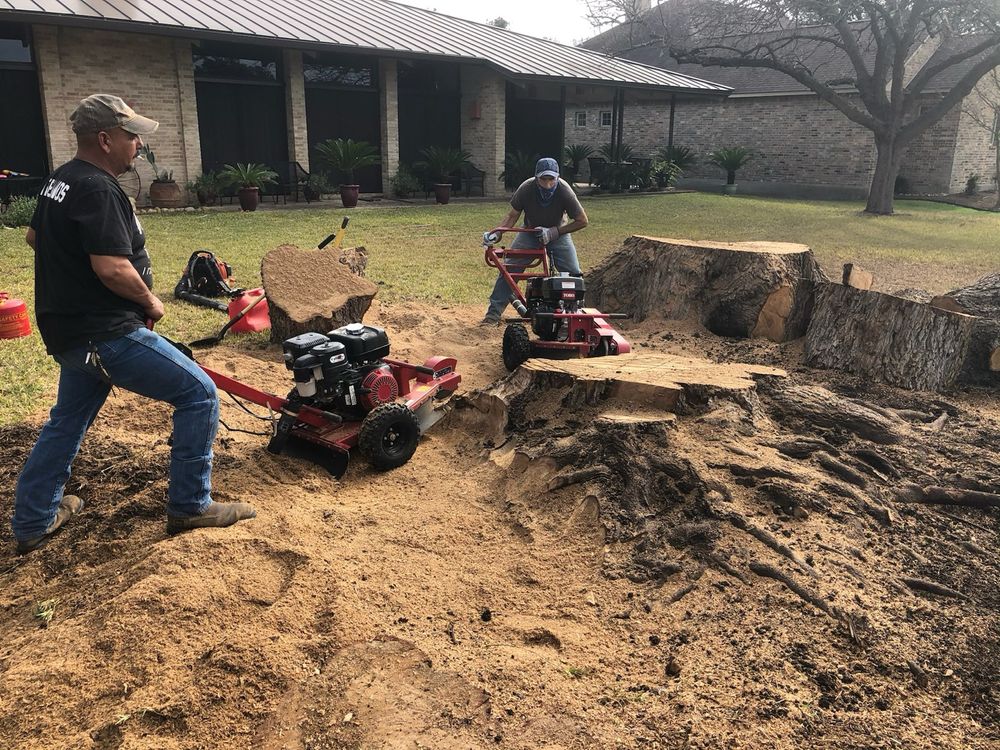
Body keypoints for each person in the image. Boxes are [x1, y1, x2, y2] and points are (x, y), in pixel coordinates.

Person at [11, 94, 256, 555]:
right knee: (199, 394)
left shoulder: (61, 180)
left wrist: (72, 276)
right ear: (105, 139)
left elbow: (34, 236)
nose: (139, 144)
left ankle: (33, 520)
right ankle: (190, 504)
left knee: (67, 421)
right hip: (107, 334)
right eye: (132, 135)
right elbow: (111, 267)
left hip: (71, 334)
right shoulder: (98, 189)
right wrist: (151, 301)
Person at [480, 157, 589, 326]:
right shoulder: (526, 188)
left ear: (557, 177)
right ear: (536, 177)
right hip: (530, 231)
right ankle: (492, 315)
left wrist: (555, 232)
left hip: (558, 233)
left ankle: (575, 314)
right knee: (510, 270)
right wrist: (498, 233)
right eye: (543, 179)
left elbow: (582, 220)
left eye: (551, 179)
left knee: (573, 273)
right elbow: (512, 215)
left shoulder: (565, 191)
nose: (547, 184)